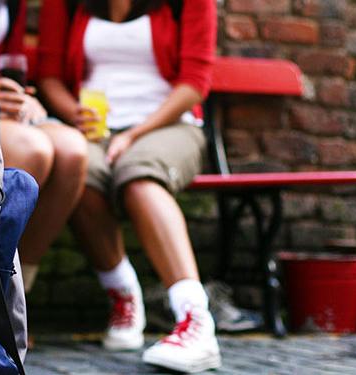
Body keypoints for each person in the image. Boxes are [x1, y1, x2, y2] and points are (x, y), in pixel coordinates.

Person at [37, 0, 220, 372]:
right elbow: (49, 74)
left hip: (169, 126)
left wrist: (136, 133)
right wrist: (74, 112)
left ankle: (195, 321)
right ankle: (124, 295)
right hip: (94, 130)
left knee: (140, 176)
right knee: (77, 173)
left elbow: (195, 82)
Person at [0, 0, 88, 292]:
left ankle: (16, 287)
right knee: (36, 151)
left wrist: (21, 95)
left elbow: (10, 60)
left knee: (73, 152)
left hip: (1, 104)